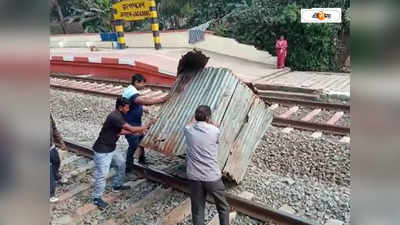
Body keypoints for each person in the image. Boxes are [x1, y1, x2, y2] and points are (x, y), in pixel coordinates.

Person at [92, 97, 149, 209]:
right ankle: (96, 198)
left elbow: (119, 131)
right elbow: (131, 129)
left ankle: (117, 185)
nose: (128, 109)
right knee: (102, 175)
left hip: (111, 148)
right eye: (127, 107)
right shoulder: (115, 117)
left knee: (121, 163)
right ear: (120, 107)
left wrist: (137, 132)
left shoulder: (118, 116)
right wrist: (145, 127)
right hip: (102, 151)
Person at [183, 105, 230, 225]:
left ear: (195, 116)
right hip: (212, 177)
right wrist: (209, 122)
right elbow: (215, 128)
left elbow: (191, 123)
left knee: (198, 210)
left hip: (194, 177)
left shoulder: (188, 130)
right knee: (223, 207)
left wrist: (198, 119)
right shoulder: (215, 131)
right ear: (209, 118)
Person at [122, 73, 169, 173]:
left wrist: (142, 109)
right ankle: (128, 169)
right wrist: (161, 100)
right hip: (129, 124)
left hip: (135, 122)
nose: (143, 86)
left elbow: (133, 104)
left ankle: (142, 161)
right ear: (136, 82)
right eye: (142, 83)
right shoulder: (131, 92)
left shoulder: (131, 90)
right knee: (133, 145)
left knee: (141, 140)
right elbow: (142, 100)